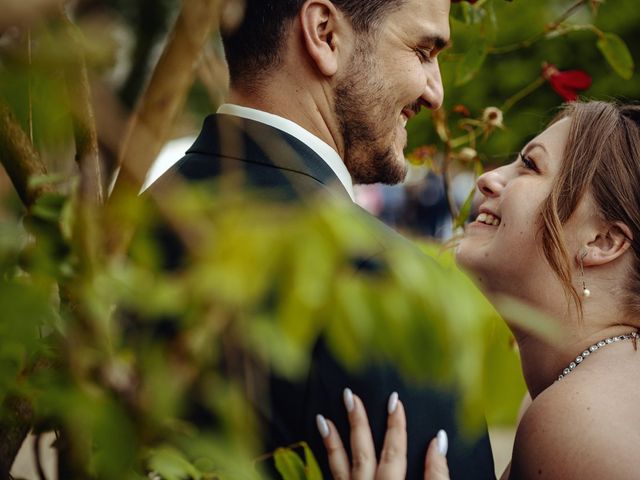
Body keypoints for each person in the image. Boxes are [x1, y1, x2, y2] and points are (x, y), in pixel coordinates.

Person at [148, 0, 498, 478]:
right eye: (423, 51)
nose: (436, 93)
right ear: (325, 33)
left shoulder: (123, 231)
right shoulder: (384, 284)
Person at [319, 100, 640, 479]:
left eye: (531, 165)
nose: (487, 178)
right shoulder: (576, 397)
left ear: (602, 240)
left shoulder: (578, 421)